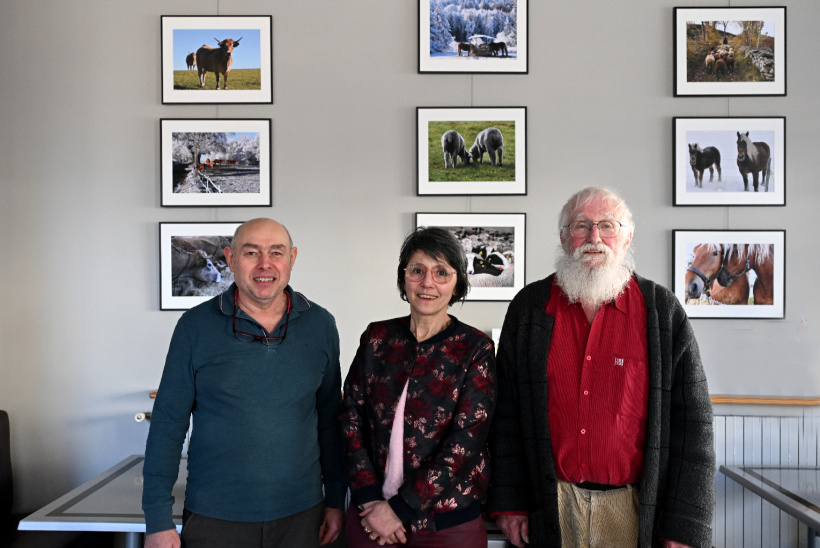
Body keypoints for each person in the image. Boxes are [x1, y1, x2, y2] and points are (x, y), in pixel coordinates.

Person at [488, 187, 715, 548]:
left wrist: (685, 525)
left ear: (626, 238)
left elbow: (694, 426)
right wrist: (509, 502)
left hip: (634, 509)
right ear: (564, 238)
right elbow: (507, 416)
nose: (594, 237)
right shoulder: (529, 308)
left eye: (607, 225)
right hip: (551, 506)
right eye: (581, 225)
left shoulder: (662, 311)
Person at [142, 218, 347, 548]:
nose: (265, 264)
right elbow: (168, 424)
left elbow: (329, 421)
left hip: (302, 517)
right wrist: (157, 520)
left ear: (292, 258)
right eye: (252, 252)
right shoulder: (194, 327)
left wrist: (336, 501)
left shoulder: (320, 325)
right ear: (230, 258)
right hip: (215, 520)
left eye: (276, 253)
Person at [340, 226, 496, 547]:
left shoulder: (475, 348)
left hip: (446, 525)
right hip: (370, 517)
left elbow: (465, 441)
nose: (428, 283)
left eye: (441, 272)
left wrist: (398, 509)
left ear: (457, 283)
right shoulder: (376, 338)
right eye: (417, 270)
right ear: (403, 278)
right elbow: (350, 419)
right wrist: (370, 499)